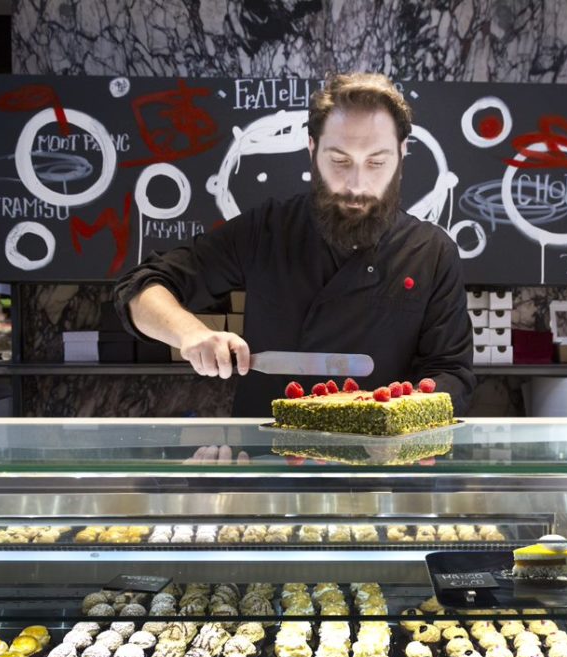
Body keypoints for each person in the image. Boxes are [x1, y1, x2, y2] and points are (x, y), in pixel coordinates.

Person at [115, 72, 475, 417]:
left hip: (380, 466)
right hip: (268, 462)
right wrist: (190, 333)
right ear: (312, 150)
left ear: (402, 154)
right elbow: (140, 288)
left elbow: (450, 374)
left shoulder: (431, 252)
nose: (356, 185)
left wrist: (399, 416)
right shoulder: (266, 231)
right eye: (339, 161)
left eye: (376, 162)